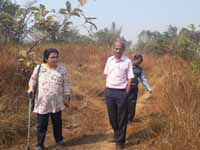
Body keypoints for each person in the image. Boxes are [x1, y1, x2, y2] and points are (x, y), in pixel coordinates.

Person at [27, 48, 71, 150]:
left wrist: (67, 94)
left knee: (57, 123)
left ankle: (59, 141)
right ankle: (40, 145)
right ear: (46, 59)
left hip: (57, 102)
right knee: (42, 125)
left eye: (56, 57)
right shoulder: (39, 68)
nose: (55, 59)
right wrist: (30, 88)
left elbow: (66, 84)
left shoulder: (62, 69)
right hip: (42, 102)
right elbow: (32, 80)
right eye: (52, 57)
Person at [104, 40, 134, 150]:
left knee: (122, 118)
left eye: (120, 48)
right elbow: (106, 75)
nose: (118, 50)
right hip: (110, 92)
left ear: (123, 50)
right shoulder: (109, 60)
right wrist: (107, 90)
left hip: (122, 92)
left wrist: (126, 93)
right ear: (113, 49)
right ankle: (117, 135)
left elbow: (130, 78)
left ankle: (120, 142)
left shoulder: (127, 61)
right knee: (112, 118)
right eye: (116, 48)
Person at [128, 54, 152, 123]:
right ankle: (122, 118)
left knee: (132, 104)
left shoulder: (140, 69)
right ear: (134, 59)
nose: (139, 63)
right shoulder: (127, 65)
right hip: (125, 88)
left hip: (134, 88)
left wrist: (148, 88)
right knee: (124, 103)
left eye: (140, 62)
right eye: (139, 61)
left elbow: (143, 79)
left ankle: (129, 119)